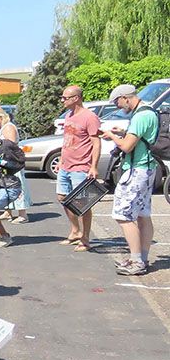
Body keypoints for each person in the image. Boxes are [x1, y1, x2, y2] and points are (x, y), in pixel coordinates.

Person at [102, 84, 159, 276]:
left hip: (137, 169)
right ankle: (141, 258)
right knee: (143, 214)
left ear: (126, 97)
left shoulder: (141, 116)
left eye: (118, 102)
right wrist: (122, 134)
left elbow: (127, 147)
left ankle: (136, 261)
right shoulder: (149, 111)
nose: (118, 106)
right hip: (147, 168)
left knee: (123, 215)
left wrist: (112, 136)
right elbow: (138, 140)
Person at [56, 85, 102, 250]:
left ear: (76, 98)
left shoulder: (89, 117)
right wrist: (61, 159)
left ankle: (85, 238)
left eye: (65, 97)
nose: (62, 100)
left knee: (82, 204)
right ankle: (75, 231)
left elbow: (96, 142)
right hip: (66, 166)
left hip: (81, 167)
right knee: (63, 198)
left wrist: (93, 167)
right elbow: (67, 140)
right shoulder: (69, 115)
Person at [0, 107, 31, 223]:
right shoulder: (0, 128)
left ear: (0, 117)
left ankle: (23, 214)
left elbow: (9, 145)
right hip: (3, 163)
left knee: (16, 185)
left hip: (12, 162)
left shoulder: (8, 127)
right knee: (6, 186)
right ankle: (8, 211)